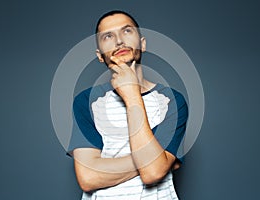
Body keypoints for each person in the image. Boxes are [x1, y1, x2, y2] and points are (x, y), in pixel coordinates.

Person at [68, 10, 188, 199]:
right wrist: (156, 160)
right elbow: (88, 177)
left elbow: (152, 174)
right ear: (100, 56)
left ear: (143, 43)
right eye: (108, 36)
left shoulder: (171, 100)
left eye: (127, 31)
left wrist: (132, 94)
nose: (119, 41)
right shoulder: (87, 101)